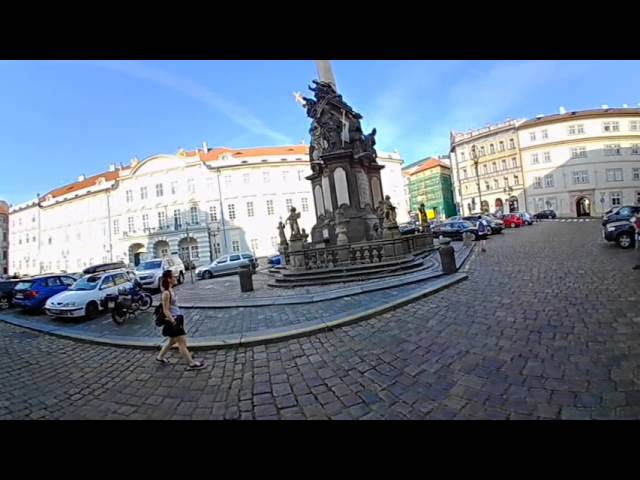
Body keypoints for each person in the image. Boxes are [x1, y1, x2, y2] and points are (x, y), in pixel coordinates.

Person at [155, 270, 206, 370]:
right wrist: (173, 321)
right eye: (174, 276)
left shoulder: (171, 290)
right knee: (181, 342)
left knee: (172, 341)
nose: (176, 278)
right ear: (169, 279)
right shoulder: (166, 293)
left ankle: (160, 357)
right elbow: (166, 310)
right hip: (173, 320)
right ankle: (191, 363)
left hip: (177, 317)